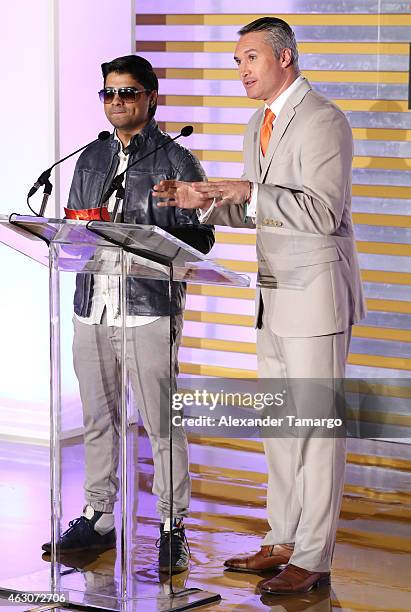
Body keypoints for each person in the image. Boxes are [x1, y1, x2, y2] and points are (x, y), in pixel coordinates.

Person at [153, 17, 366, 594]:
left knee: (316, 432)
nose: (241, 71)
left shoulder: (323, 120)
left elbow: (321, 213)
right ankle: (282, 540)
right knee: (280, 426)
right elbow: (262, 208)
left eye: (249, 58)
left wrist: (248, 191)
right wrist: (203, 199)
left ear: (285, 57)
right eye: (236, 61)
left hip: (315, 298)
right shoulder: (258, 124)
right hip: (273, 296)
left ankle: (314, 557)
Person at [42, 55, 214, 574]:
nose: (118, 102)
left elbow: (202, 238)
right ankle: (98, 515)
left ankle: (171, 526)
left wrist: (156, 238)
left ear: (151, 98)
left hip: (147, 309)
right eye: (109, 94)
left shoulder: (175, 159)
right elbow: (76, 227)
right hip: (92, 304)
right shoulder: (90, 159)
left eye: (129, 93)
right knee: (99, 418)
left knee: (161, 422)